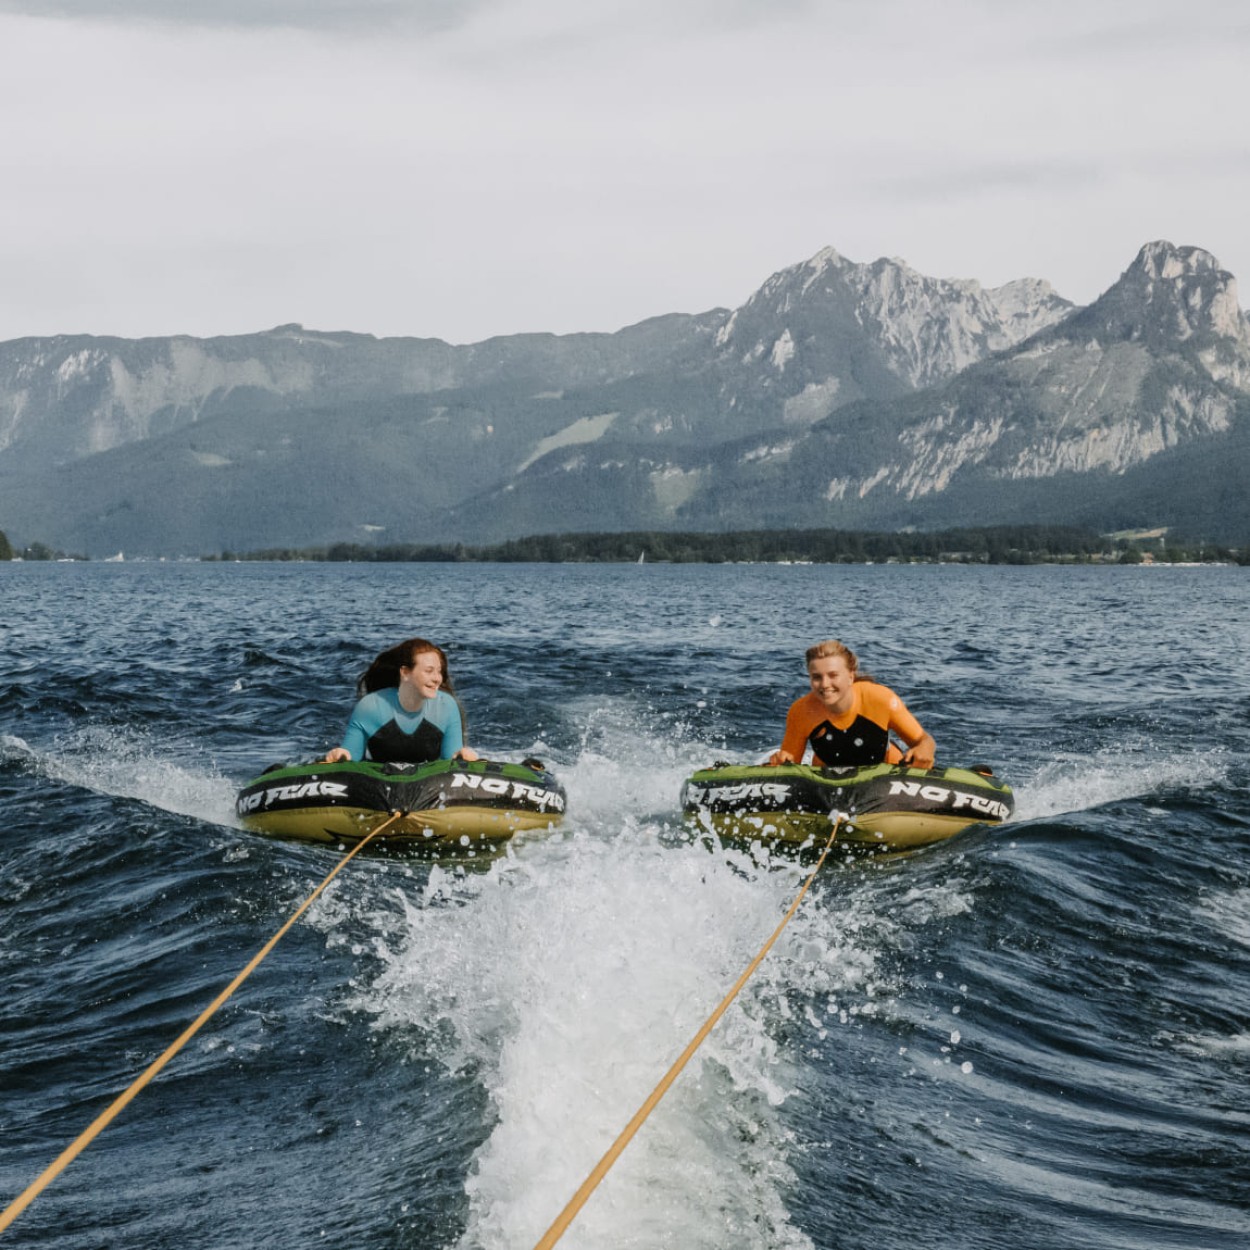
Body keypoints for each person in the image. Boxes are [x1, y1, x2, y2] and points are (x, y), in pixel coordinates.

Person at [769, 639, 936, 770]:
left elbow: (924, 741)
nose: (825, 684)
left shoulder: (881, 699)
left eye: (833, 675)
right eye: (817, 677)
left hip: (885, 777)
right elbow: (789, 767)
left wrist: (924, 749)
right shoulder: (801, 711)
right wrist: (781, 759)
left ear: (850, 676)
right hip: (827, 781)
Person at [323, 637, 480, 765]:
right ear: (405, 672)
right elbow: (351, 759)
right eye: (429, 671)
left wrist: (463, 755)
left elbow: (451, 761)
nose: (437, 679)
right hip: (378, 782)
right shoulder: (370, 706)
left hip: (429, 785)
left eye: (439, 671)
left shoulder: (447, 706)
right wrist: (341, 754)